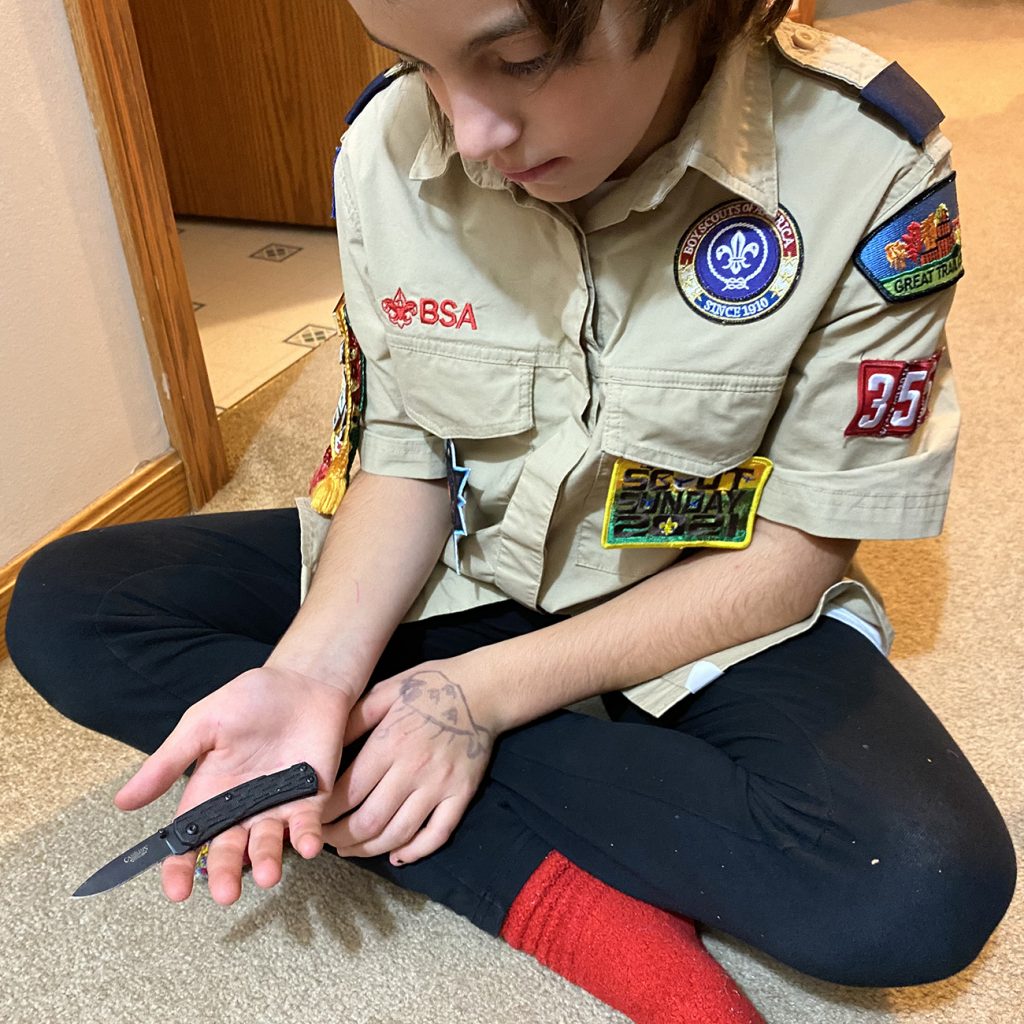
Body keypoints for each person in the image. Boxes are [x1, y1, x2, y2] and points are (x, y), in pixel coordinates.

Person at [6, 1, 1016, 1021]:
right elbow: (403, 458)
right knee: (65, 605)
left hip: (689, 596)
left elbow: (794, 552)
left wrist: (472, 699)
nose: (467, 130)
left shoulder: (870, 165)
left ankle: (414, 768)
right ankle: (552, 896)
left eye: (522, 60)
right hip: (459, 562)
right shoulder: (388, 146)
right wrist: (310, 674)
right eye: (417, 64)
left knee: (915, 887)